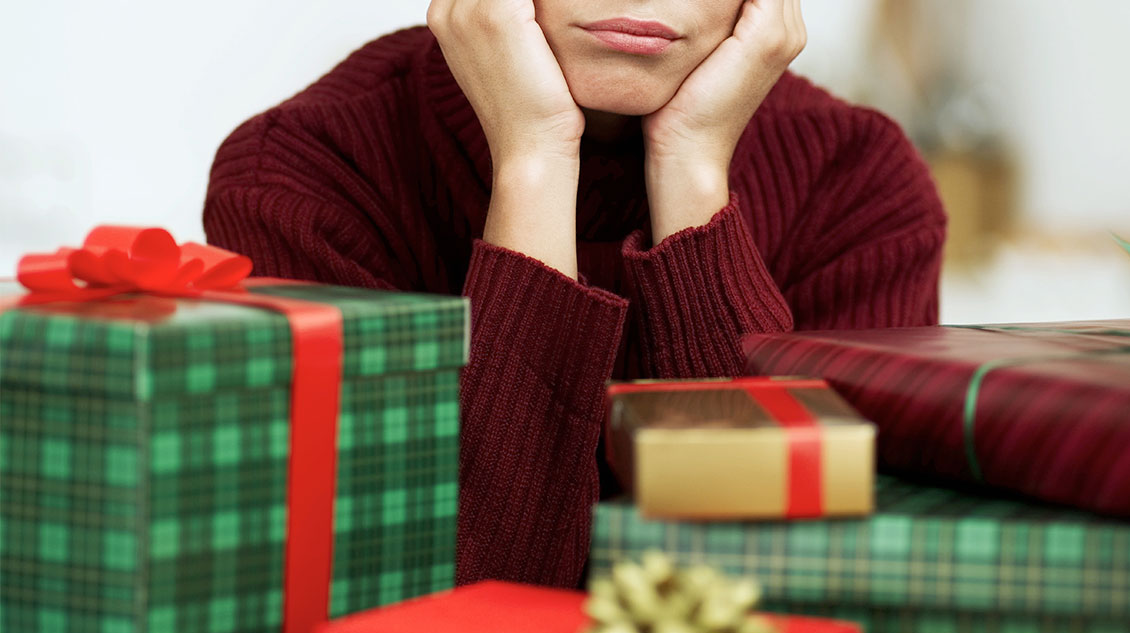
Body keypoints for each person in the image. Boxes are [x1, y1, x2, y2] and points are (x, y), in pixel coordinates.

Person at [203, 0, 945, 590]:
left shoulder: (860, 186)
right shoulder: (300, 176)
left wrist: (691, 170)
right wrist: (532, 161)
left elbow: (787, 596)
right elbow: (440, 603)